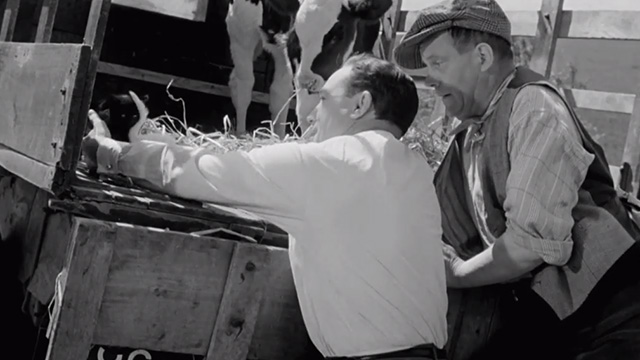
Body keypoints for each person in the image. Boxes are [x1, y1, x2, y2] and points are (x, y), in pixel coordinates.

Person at [82, 53, 449, 360]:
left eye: (323, 100)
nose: (311, 115)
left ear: (360, 104)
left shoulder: (331, 164)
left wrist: (110, 152)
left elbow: (198, 172)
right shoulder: (415, 172)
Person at [392, 0, 640, 359]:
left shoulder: (535, 110)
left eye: (437, 62)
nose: (428, 78)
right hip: (552, 316)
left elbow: (529, 247)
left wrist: (457, 273)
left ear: (482, 57)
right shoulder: (469, 138)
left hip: (614, 312)